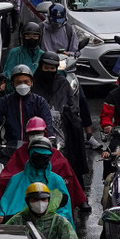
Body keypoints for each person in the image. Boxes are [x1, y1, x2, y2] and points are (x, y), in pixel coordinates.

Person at [31, 52, 93, 192]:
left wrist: (66, 114)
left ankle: (78, 193)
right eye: (46, 68)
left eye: (52, 68)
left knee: (73, 156)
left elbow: (73, 104)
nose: (49, 71)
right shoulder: (34, 83)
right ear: (41, 67)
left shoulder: (63, 83)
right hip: (39, 127)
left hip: (63, 125)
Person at [0, 137, 75, 228]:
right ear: (30, 154)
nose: (40, 159)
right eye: (37, 156)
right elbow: (4, 206)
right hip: (19, 229)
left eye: (44, 157)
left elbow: (65, 211)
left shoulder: (57, 181)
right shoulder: (15, 180)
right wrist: (0, 215)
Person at [0, 66, 56, 153]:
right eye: (18, 82)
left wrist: (50, 143)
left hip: (35, 150)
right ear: (13, 83)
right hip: (8, 150)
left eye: (26, 81)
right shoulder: (3, 102)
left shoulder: (40, 102)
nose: (22, 85)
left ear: (31, 83)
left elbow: (48, 125)